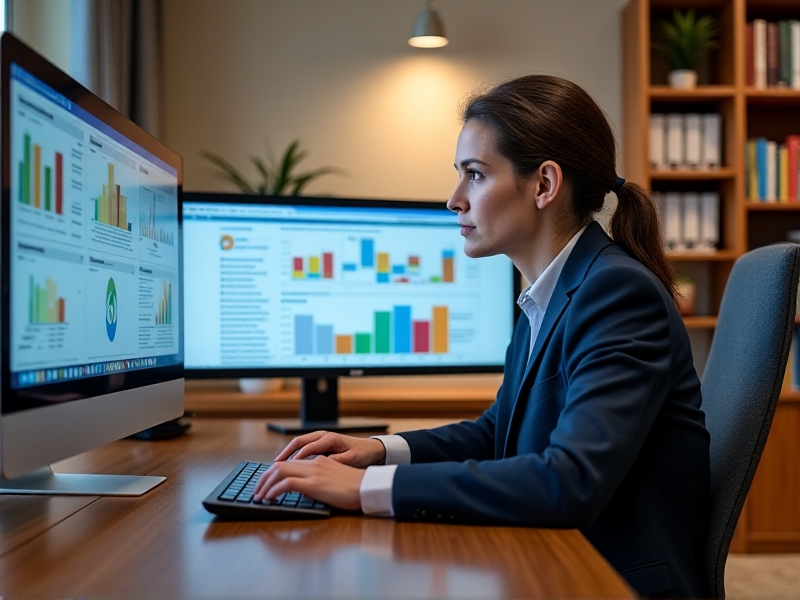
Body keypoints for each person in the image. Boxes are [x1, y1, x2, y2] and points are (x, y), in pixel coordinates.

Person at [254, 75, 710, 599]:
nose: (454, 200)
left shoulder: (616, 294)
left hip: (609, 580)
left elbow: (570, 481)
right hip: (557, 559)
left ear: (544, 184)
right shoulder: (554, 293)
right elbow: (501, 434)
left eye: (474, 175)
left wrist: (367, 489)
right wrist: (378, 452)